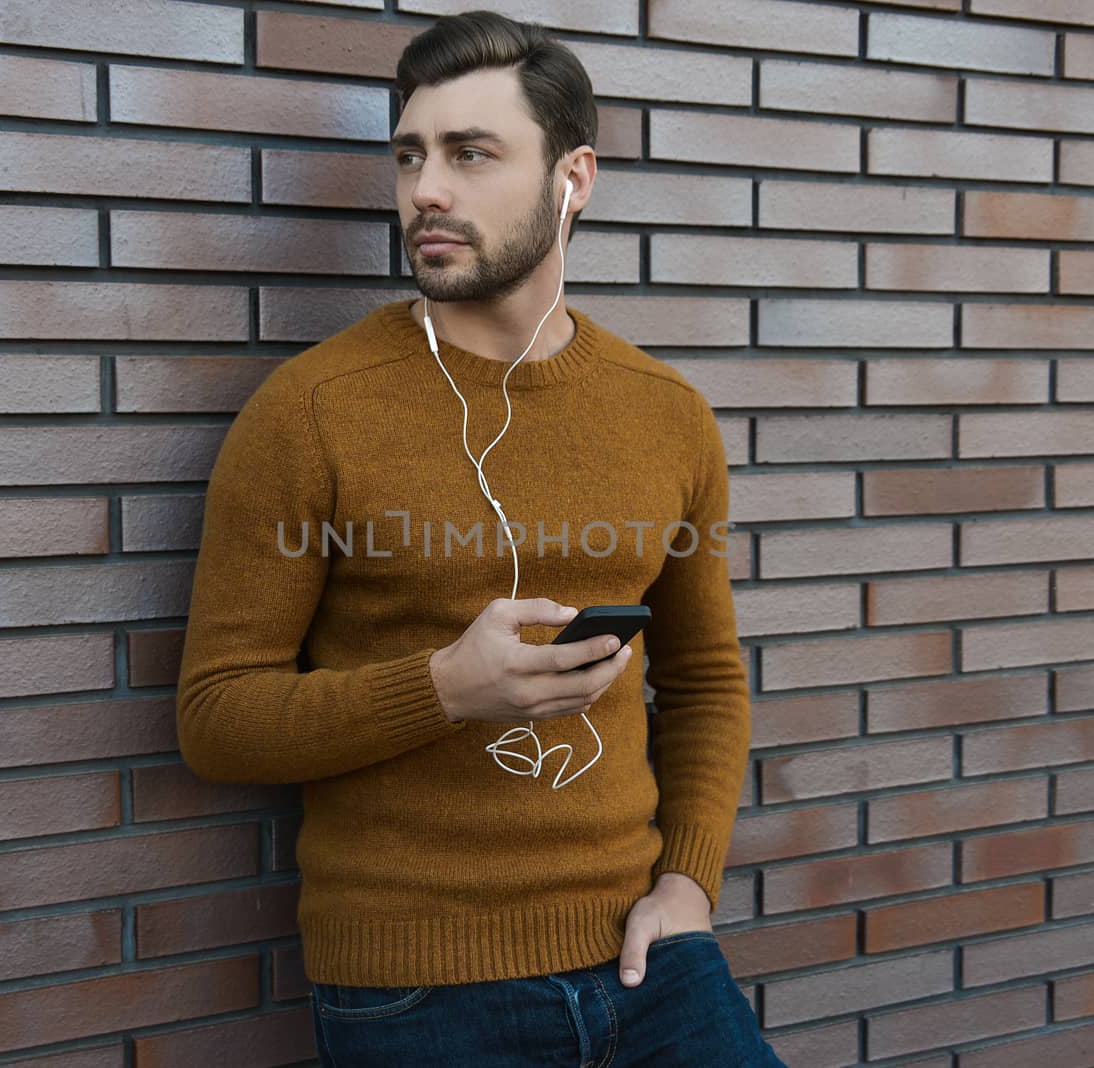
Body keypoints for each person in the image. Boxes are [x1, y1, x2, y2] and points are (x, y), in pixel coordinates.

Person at [175, 10, 786, 1066]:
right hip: (418, 992)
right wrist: (444, 688)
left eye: (469, 154)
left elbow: (704, 680)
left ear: (572, 177)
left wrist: (687, 884)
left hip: (651, 959)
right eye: (411, 155)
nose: (426, 191)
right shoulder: (310, 410)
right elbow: (217, 716)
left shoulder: (666, 412)